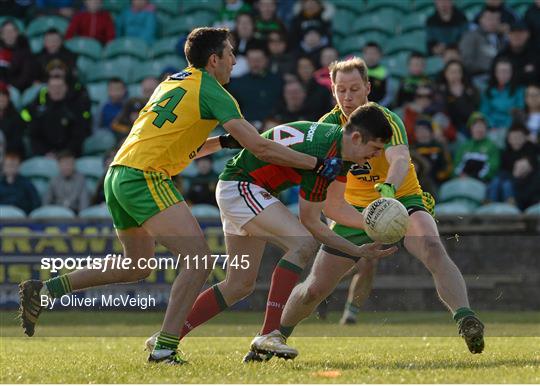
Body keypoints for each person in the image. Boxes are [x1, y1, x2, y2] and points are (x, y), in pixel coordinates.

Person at [18, 27, 343, 365]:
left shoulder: (171, 82)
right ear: (213, 59)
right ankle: (164, 349)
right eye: (230, 53)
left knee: (135, 266)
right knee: (198, 259)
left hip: (118, 174)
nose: (235, 60)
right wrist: (317, 163)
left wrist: (221, 142)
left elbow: (178, 144)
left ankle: (45, 291)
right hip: (145, 176)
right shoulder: (214, 91)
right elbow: (260, 146)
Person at [261, 57, 485, 359]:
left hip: (400, 198)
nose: (348, 97)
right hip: (352, 210)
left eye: (354, 89)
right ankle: (272, 340)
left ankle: (465, 319)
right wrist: (361, 220)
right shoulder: (327, 128)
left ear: (368, 87)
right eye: (341, 90)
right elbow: (325, 197)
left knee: (432, 247)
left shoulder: (385, 119)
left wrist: (389, 189)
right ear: (333, 92)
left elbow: (401, 159)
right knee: (315, 288)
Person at [145, 104, 398, 361]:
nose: (376, 156)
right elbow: (311, 222)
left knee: (238, 285)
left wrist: (368, 228)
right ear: (356, 138)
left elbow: (333, 209)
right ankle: (269, 334)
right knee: (302, 244)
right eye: (375, 148)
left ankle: (167, 337)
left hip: (243, 187)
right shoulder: (329, 155)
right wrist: (356, 250)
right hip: (243, 186)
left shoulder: (336, 147)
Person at [27, 76, 90, 157]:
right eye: (53, 87)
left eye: (59, 87)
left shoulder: (76, 108)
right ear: (48, 89)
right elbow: (34, 135)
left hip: (70, 156)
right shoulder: (39, 110)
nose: (56, 90)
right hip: (45, 156)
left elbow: (79, 135)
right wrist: (45, 153)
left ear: (66, 88)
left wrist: (64, 153)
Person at [487, 123, 540, 209]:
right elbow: (502, 170)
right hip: (509, 179)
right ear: (508, 139)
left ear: (525, 138)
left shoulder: (530, 149)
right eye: (513, 138)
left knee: (507, 185)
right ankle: (490, 206)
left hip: (525, 184)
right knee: (497, 182)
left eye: (519, 137)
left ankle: (512, 209)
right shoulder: (505, 154)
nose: (516, 140)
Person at [480, 57, 525, 145]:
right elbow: (484, 112)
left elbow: (518, 111)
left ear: (512, 73)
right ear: (495, 73)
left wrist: (506, 126)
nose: (503, 74)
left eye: (506, 71)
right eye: (500, 71)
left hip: (510, 128)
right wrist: (491, 125)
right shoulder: (488, 91)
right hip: (491, 128)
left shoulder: (519, 90)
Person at [436, 60, 480, 136]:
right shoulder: (441, 91)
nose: (455, 75)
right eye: (452, 72)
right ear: (446, 74)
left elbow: (474, 110)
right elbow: (443, 111)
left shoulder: (471, 90)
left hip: (470, 126)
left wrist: (461, 96)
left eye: (458, 72)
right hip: (450, 128)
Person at [453, 112, 500, 182]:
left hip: (482, 182)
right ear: (471, 128)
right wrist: (460, 175)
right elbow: (456, 165)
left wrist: (476, 177)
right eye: (476, 126)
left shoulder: (492, 146)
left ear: (486, 128)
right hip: (462, 181)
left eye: (482, 126)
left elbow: (493, 167)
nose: (479, 129)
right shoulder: (464, 146)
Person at [459, 8, 504, 79]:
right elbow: (466, 61)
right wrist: (488, 68)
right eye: (489, 19)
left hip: (499, 77)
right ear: (481, 20)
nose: (493, 22)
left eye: (496, 19)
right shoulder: (470, 37)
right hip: (478, 77)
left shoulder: (501, 38)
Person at [361, 42, 392, 107]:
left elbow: (388, 96)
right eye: (368, 53)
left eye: (374, 53)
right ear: (364, 55)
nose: (371, 57)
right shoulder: (359, 71)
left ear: (380, 55)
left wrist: (378, 107)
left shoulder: (384, 73)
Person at [0, 81, 25, 156]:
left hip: (9, 154)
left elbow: (17, 141)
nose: (1, 99)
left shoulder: (16, 116)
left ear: (8, 98)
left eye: (3, 95)